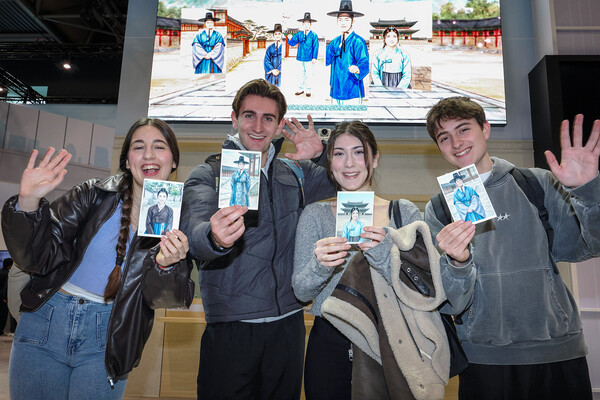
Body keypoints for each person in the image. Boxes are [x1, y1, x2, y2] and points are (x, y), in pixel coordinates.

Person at [1, 118, 193, 400]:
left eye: (159, 147)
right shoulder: (93, 194)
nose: (148, 155)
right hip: (47, 321)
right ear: (127, 160)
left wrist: (165, 265)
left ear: (173, 160)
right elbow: (36, 258)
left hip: (109, 334)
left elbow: (166, 299)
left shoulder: (179, 220)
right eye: (138, 147)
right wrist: (27, 202)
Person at [423, 96, 600, 400]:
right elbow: (450, 302)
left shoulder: (537, 183)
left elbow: (590, 246)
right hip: (484, 359)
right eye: (444, 137)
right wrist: (458, 263)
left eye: (463, 129)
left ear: (485, 129)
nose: (456, 142)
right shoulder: (438, 209)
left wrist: (588, 192)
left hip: (556, 351)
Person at [181, 78, 336, 399]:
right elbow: (194, 232)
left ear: (279, 126)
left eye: (268, 118)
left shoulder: (295, 172)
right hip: (232, 325)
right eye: (249, 115)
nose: (257, 126)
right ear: (234, 118)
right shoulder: (209, 174)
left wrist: (320, 155)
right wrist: (214, 237)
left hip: (288, 325)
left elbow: (345, 179)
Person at [293, 120, 449, 399]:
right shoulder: (314, 215)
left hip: (389, 336)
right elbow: (301, 291)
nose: (349, 163)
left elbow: (424, 287)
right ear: (330, 163)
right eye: (339, 153)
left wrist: (384, 254)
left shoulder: (402, 212)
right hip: (329, 339)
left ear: (375, 158)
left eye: (359, 152)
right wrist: (320, 266)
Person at [326, 0, 369, 105]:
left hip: (352, 87)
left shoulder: (358, 41)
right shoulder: (335, 42)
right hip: (336, 87)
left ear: (352, 21)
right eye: (340, 20)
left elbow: (365, 61)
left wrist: (358, 68)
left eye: (346, 19)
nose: (343, 23)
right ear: (337, 21)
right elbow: (327, 59)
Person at [287, 12, 319, 97]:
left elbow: (316, 46)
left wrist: (314, 57)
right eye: (304, 24)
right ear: (302, 25)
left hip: (309, 58)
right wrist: (290, 38)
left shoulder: (314, 35)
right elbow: (293, 43)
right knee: (300, 74)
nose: (306, 26)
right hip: (300, 57)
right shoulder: (299, 34)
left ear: (310, 25)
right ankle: (300, 89)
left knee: (309, 74)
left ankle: (308, 90)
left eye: (308, 24)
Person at [0, 258, 10, 335]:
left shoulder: (0, 271)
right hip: (2, 297)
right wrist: (5, 297)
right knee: (3, 314)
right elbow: (6, 287)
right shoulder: (7, 274)